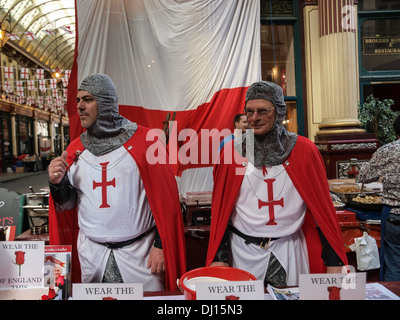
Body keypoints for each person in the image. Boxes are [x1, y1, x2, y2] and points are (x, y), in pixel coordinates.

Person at [48, 73, 186, 291]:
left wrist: (160, 246)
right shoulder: (75, 149)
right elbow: (68, 205)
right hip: (92, 255)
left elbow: (166, 203)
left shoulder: (147, 141)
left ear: (106, 102)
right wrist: (57, 184)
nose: (80, 106)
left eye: (88, 99)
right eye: (78, 100)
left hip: (141, 254)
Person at [206, 81, 348, 287]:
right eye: (250, 111)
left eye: (263, 111)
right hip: (243, 251)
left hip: (289, 248)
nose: (254, 118)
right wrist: (219, 257)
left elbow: (322, 209)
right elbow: (221, 210)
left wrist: (333, 260)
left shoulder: (305, 151)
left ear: (279, 112)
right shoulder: (231, 152)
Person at [358, 115, 400, 281]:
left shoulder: (389, 150)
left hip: (394, 215)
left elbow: (364, 176)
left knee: (394, 266)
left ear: (396, 131)